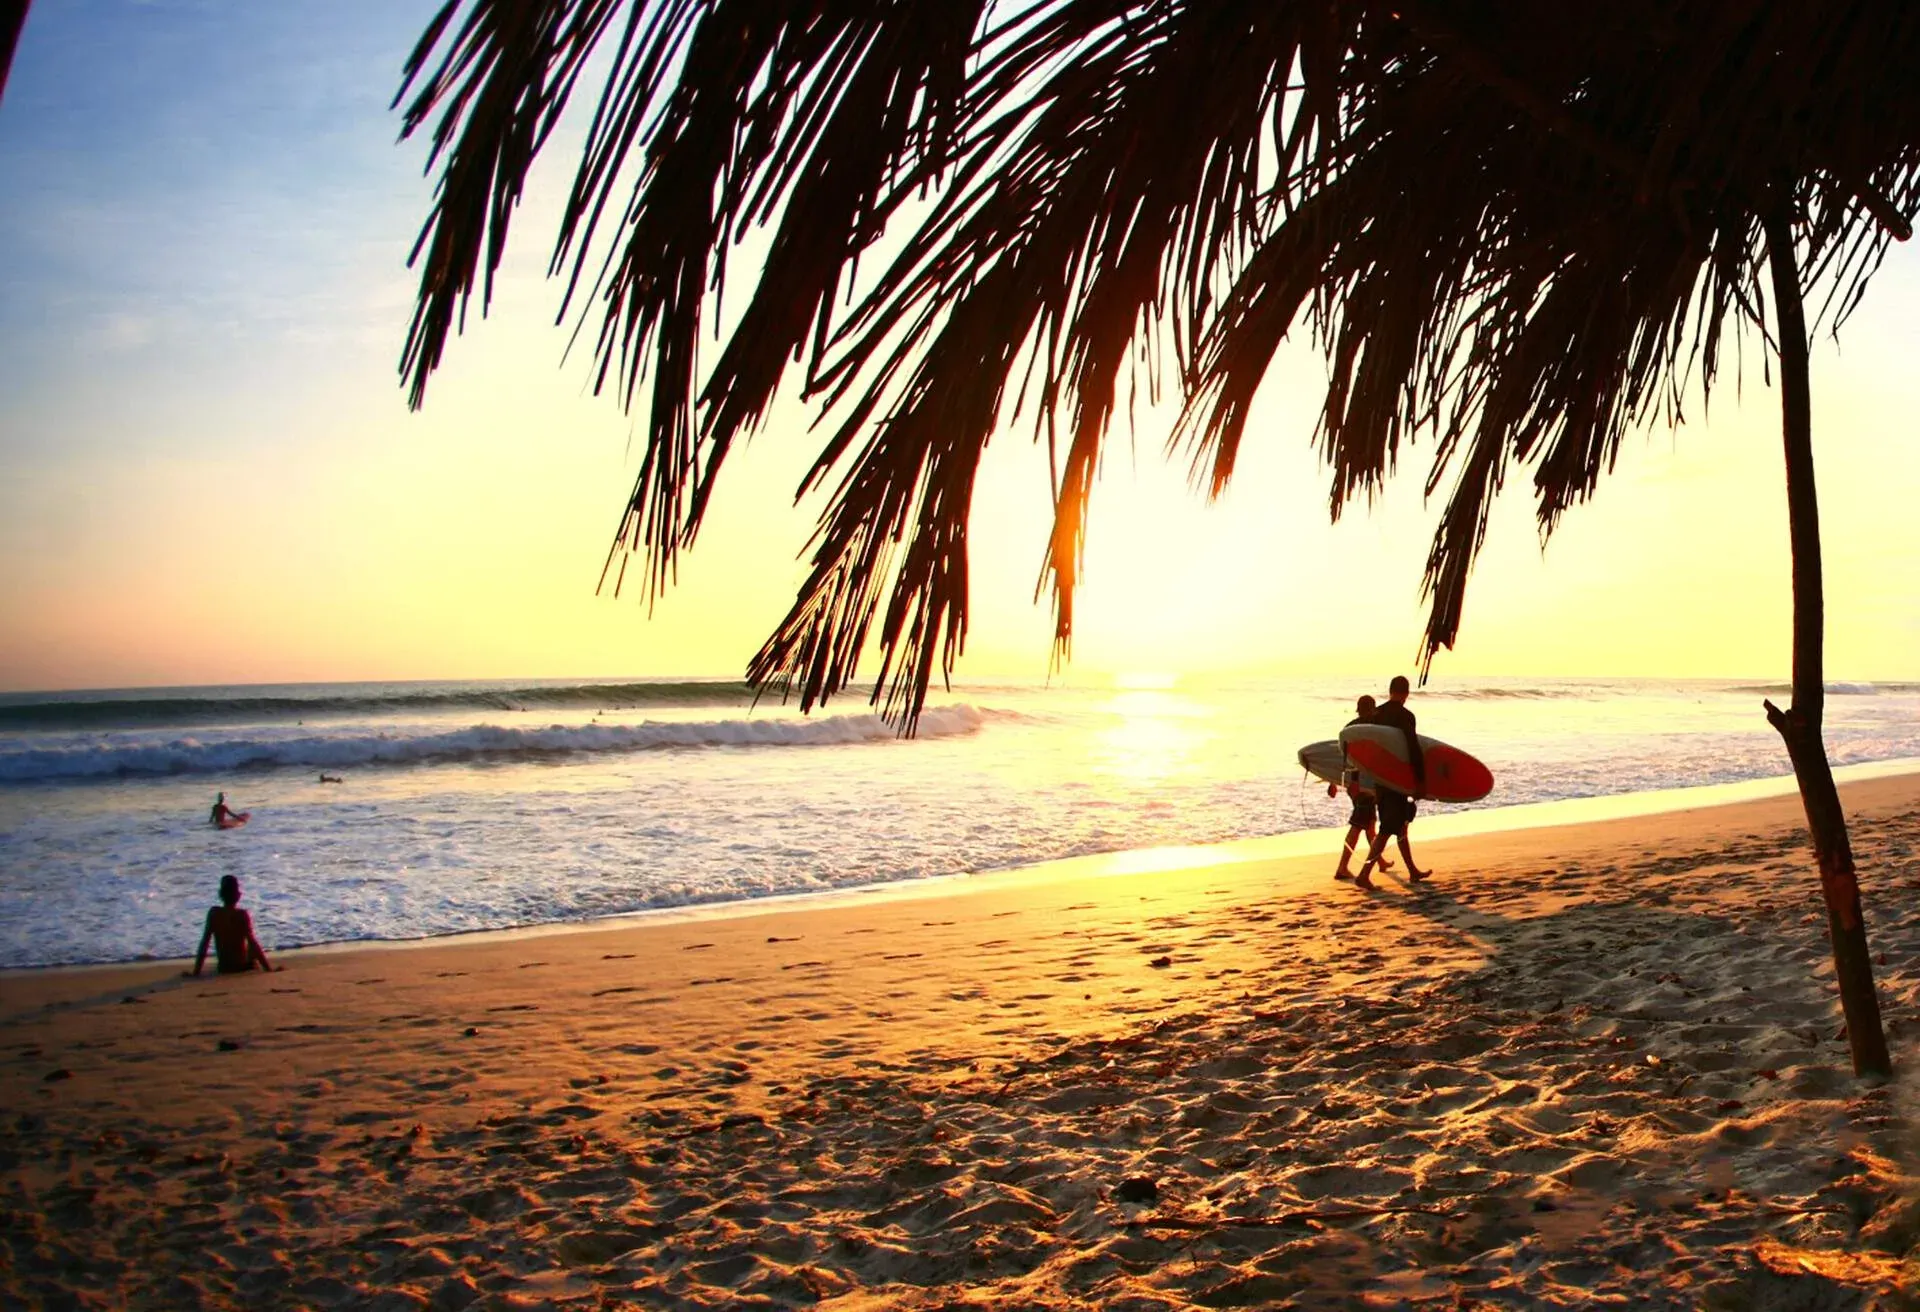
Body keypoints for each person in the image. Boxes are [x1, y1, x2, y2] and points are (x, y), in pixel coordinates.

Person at [1355, 675, 1432, 888]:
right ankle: (1363, 874)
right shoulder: (1406, 716)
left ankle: (1413, 871)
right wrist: (1420, 781)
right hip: (1399, 779)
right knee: (1388, 828)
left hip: (1381, 778)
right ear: (1406, 694)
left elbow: (1359, 736)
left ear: (1390, 691)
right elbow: (1412, 749)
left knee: (1400, 825)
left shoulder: (1376, 714)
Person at [1333, 695, 1392, 881]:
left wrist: (1334, 781)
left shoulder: (1350, 727)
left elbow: (1339, 758)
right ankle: (1342, 867)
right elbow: (1355, 759)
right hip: (1362, 785)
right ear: (1371, 709)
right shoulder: (1369, 729)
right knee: (1358, 827)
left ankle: (1379, 860)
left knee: (1369, 825)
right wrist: (1356, 783)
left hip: (1359, 784)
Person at [189, 875, 276, 975]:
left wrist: (196, 972)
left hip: (223, 967)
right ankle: (256, 965)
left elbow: (205, 943)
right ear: (238, 895)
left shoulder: (214, 913)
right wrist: (268, 969)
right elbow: (253, 943)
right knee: (250, 942)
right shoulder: (242, 914)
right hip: (241, 966)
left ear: (220, 894)